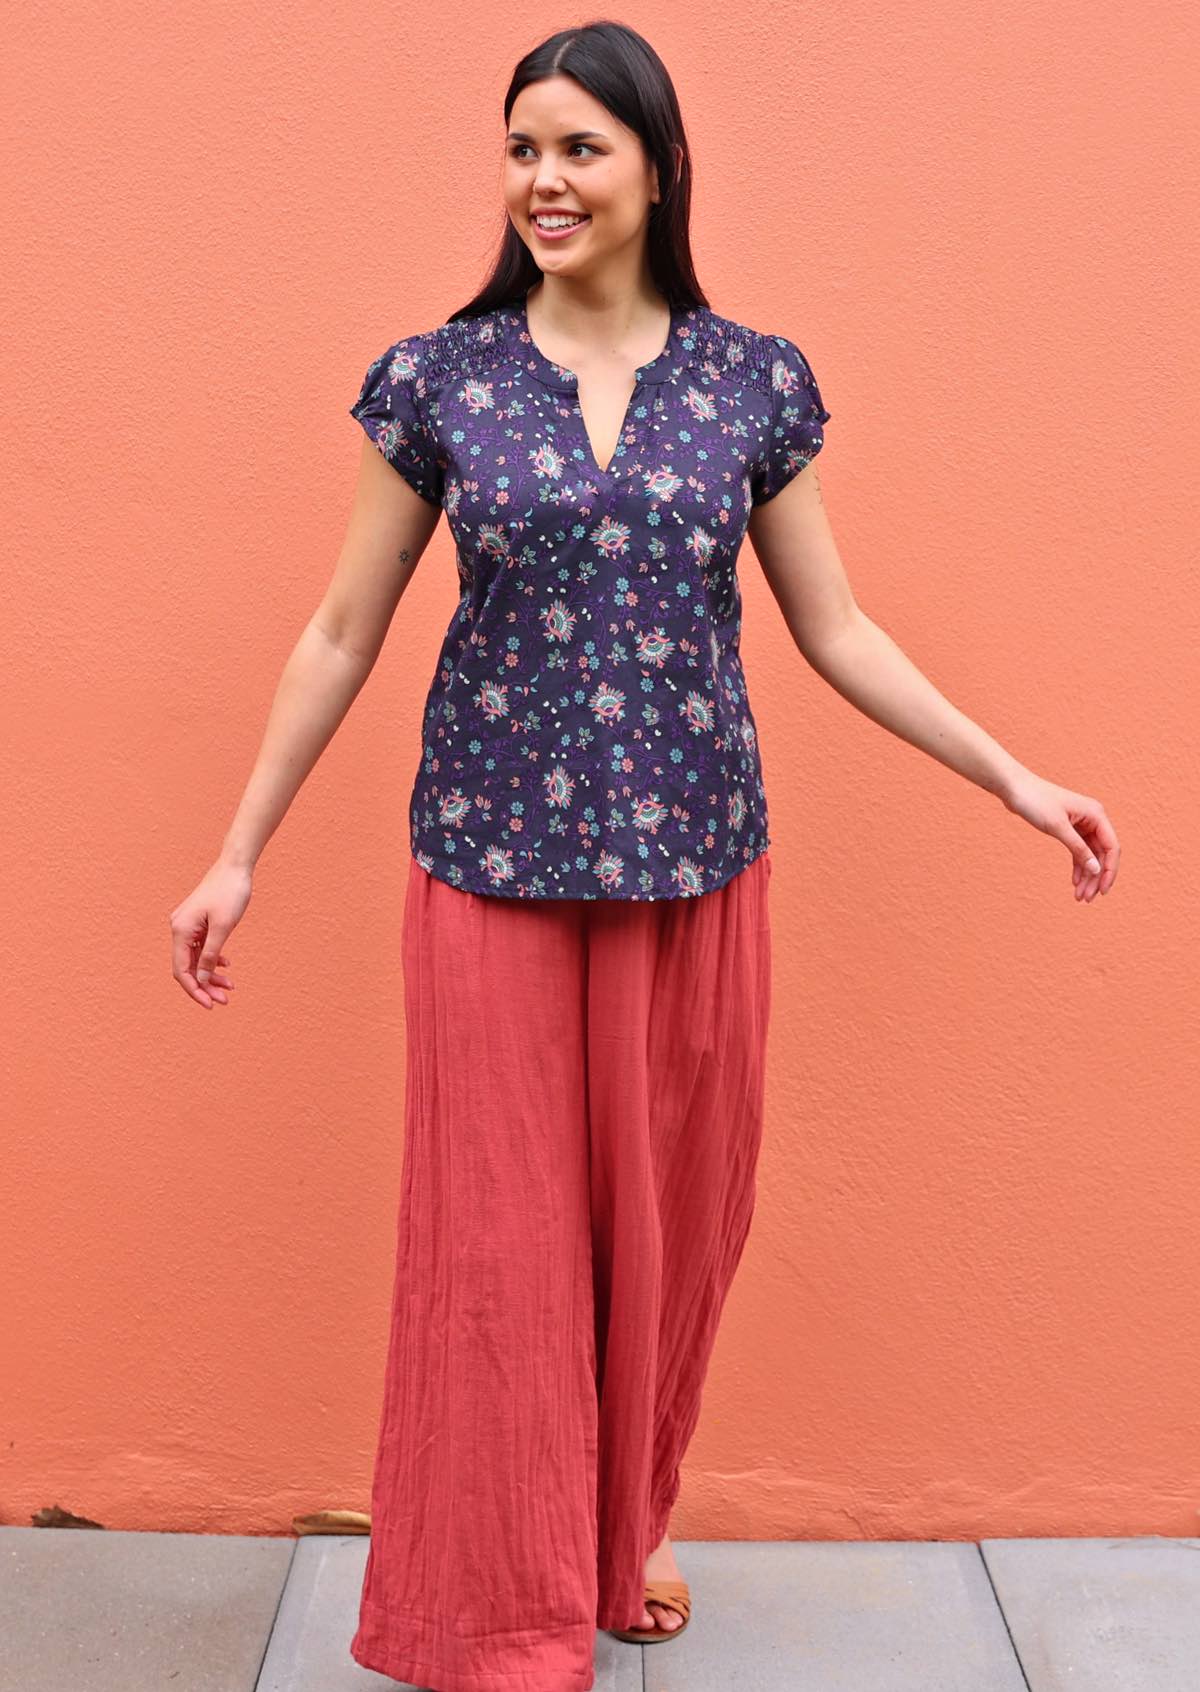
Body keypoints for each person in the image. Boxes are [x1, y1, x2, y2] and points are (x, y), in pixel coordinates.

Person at [168, 21, 1120, 1692]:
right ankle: (509, 1608)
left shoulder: (751, 379)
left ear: (660, 168)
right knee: (500, 1245)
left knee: (665, 1226)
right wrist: (237, 851)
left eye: (580, 149)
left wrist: (1011, 777)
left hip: (697, 861)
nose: (544, 179)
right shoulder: (440, 378)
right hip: (489, 859)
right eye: (522, 147)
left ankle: (620, 1526)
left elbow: (834, 627)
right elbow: (340, 631)